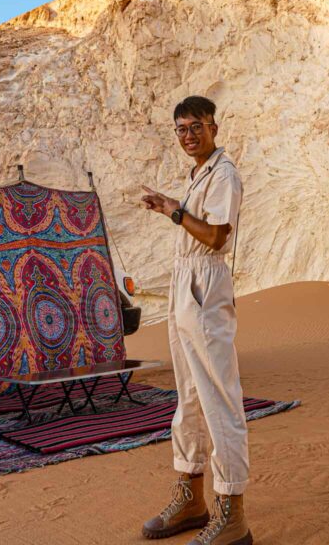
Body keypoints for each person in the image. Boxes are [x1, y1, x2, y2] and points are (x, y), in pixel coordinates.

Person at [138, 96, 251, 545]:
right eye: (181, 129)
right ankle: (191, 498)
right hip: (184, 283)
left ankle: (232, 513)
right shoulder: (198, 174)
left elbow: (217, 237)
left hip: (205, 286)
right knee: (187, 396)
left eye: (196, 127)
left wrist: (174, 210)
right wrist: (170, 206)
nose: (188, 135)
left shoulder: (224, 174)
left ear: (213, 128)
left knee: (218, 399)